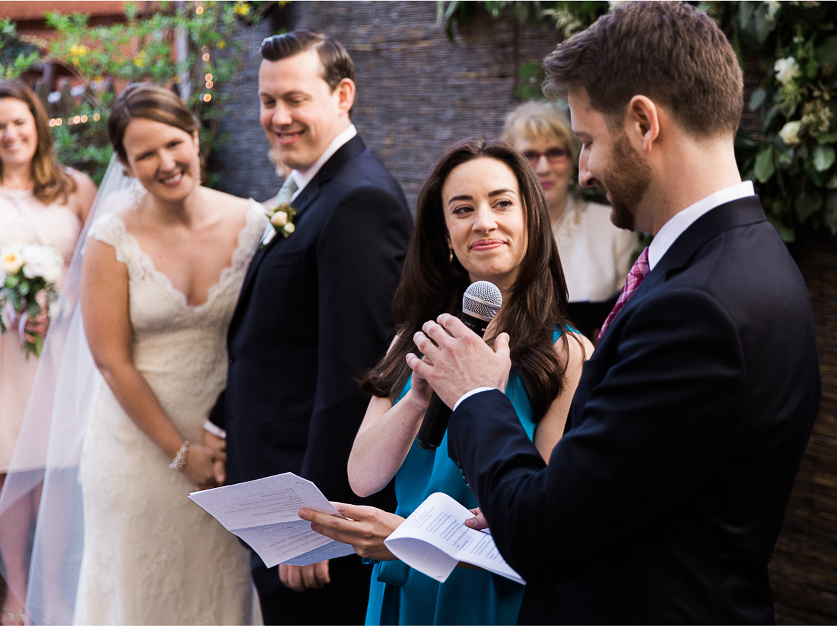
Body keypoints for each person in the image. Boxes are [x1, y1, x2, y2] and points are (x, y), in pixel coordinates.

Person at [407, 2, 821, 623]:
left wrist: (474, 398)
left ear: (643, 123)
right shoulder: (750, 258)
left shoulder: (696, 308)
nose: (587, 170)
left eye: (586, 142)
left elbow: (548, 536)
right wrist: (538, 494)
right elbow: (636, 481)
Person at [298, 138, 592, 625]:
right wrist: (416, 398)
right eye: (462, 209)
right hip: (404, 592)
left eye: (502, 203)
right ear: (444, 236)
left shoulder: (567, 354)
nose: (483, 221)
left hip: (489, 594)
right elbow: (364, 477)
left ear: (531, 220)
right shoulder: (411, 340)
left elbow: (542, 519)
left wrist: (409, 538)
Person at [205, 31, 412, 624]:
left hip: (307, 516)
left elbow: (357, 368)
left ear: (343, 94)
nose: (277, 117)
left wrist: (315, 522)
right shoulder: (314, 189)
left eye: (294, 99)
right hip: (271, 481)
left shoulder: (358, 201)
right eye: (268, 101)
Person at [69, 83, 266, 624]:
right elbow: (111, 361)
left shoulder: (254, 223)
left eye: (173, 144)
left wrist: (226, 441)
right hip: (138, 450)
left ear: (194, 137)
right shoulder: (111, 239)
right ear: (127, 167)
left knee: (220, 590)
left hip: (228, 449)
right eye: (145, 154)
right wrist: (181, 453)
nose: (166, 162)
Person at [0, 79, 95, 625]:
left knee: (60, 466)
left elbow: (96, 259)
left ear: (37, 125)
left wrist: (66, 302)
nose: (11, 135)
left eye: (19, 122)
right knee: (11, 464)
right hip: (7, 353)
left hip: (62, 347)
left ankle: (53, 589)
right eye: (1, 128)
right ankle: (15, 590)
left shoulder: (72, 187)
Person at [502, 100, 637, 341]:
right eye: (529, 156)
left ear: (573, 157)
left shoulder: (613, 226)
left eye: (555, 153)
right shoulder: (498, 232)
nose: (543, 168)